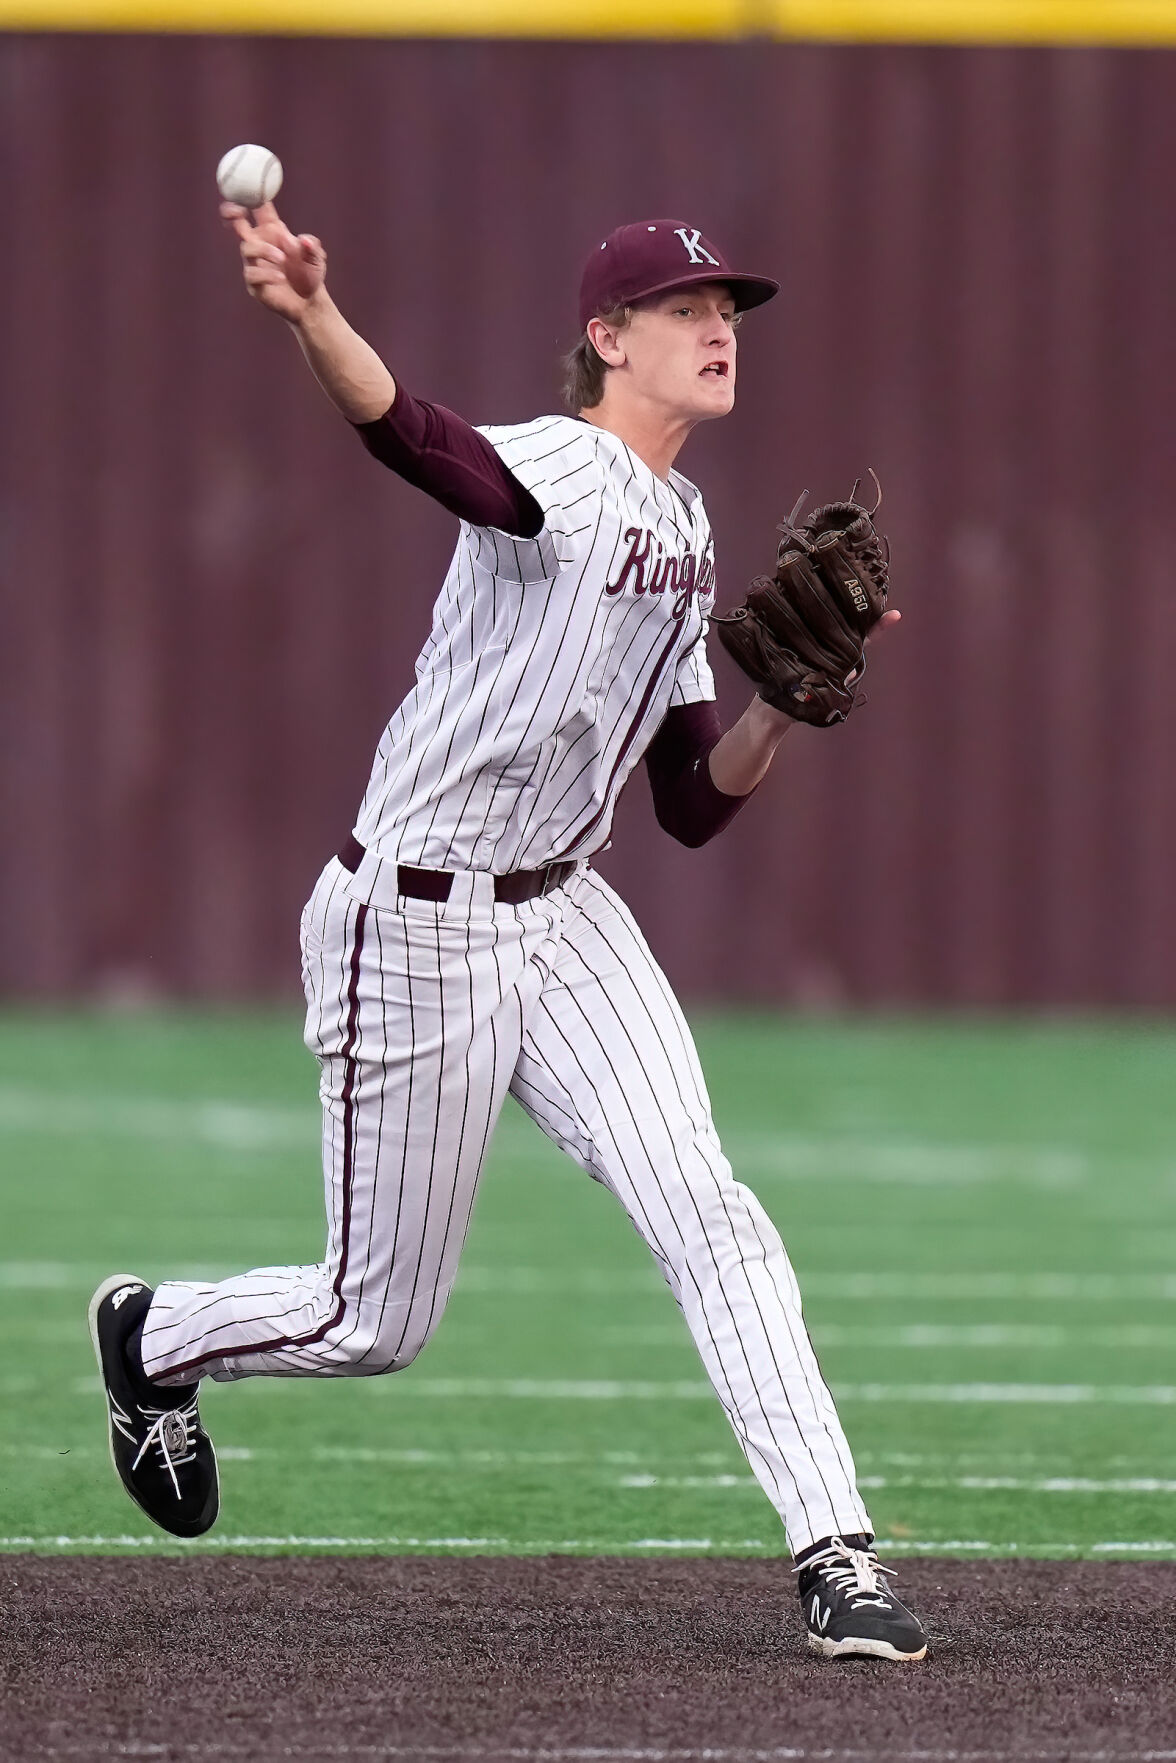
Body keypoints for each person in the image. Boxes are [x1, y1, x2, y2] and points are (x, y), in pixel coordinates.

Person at [89, 206, 927, 1663]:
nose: (717, 327)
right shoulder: (562, 464)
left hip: (569, 911)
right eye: (681, 308)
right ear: (607, 339)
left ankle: (835, 1552)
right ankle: (154, 1338)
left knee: (708, 1210)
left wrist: (787, 709)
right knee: (374, 1319)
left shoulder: (684, 522)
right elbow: (416, 439)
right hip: (412, 921)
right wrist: (308, 310)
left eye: (726, 305)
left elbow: (689, 803)